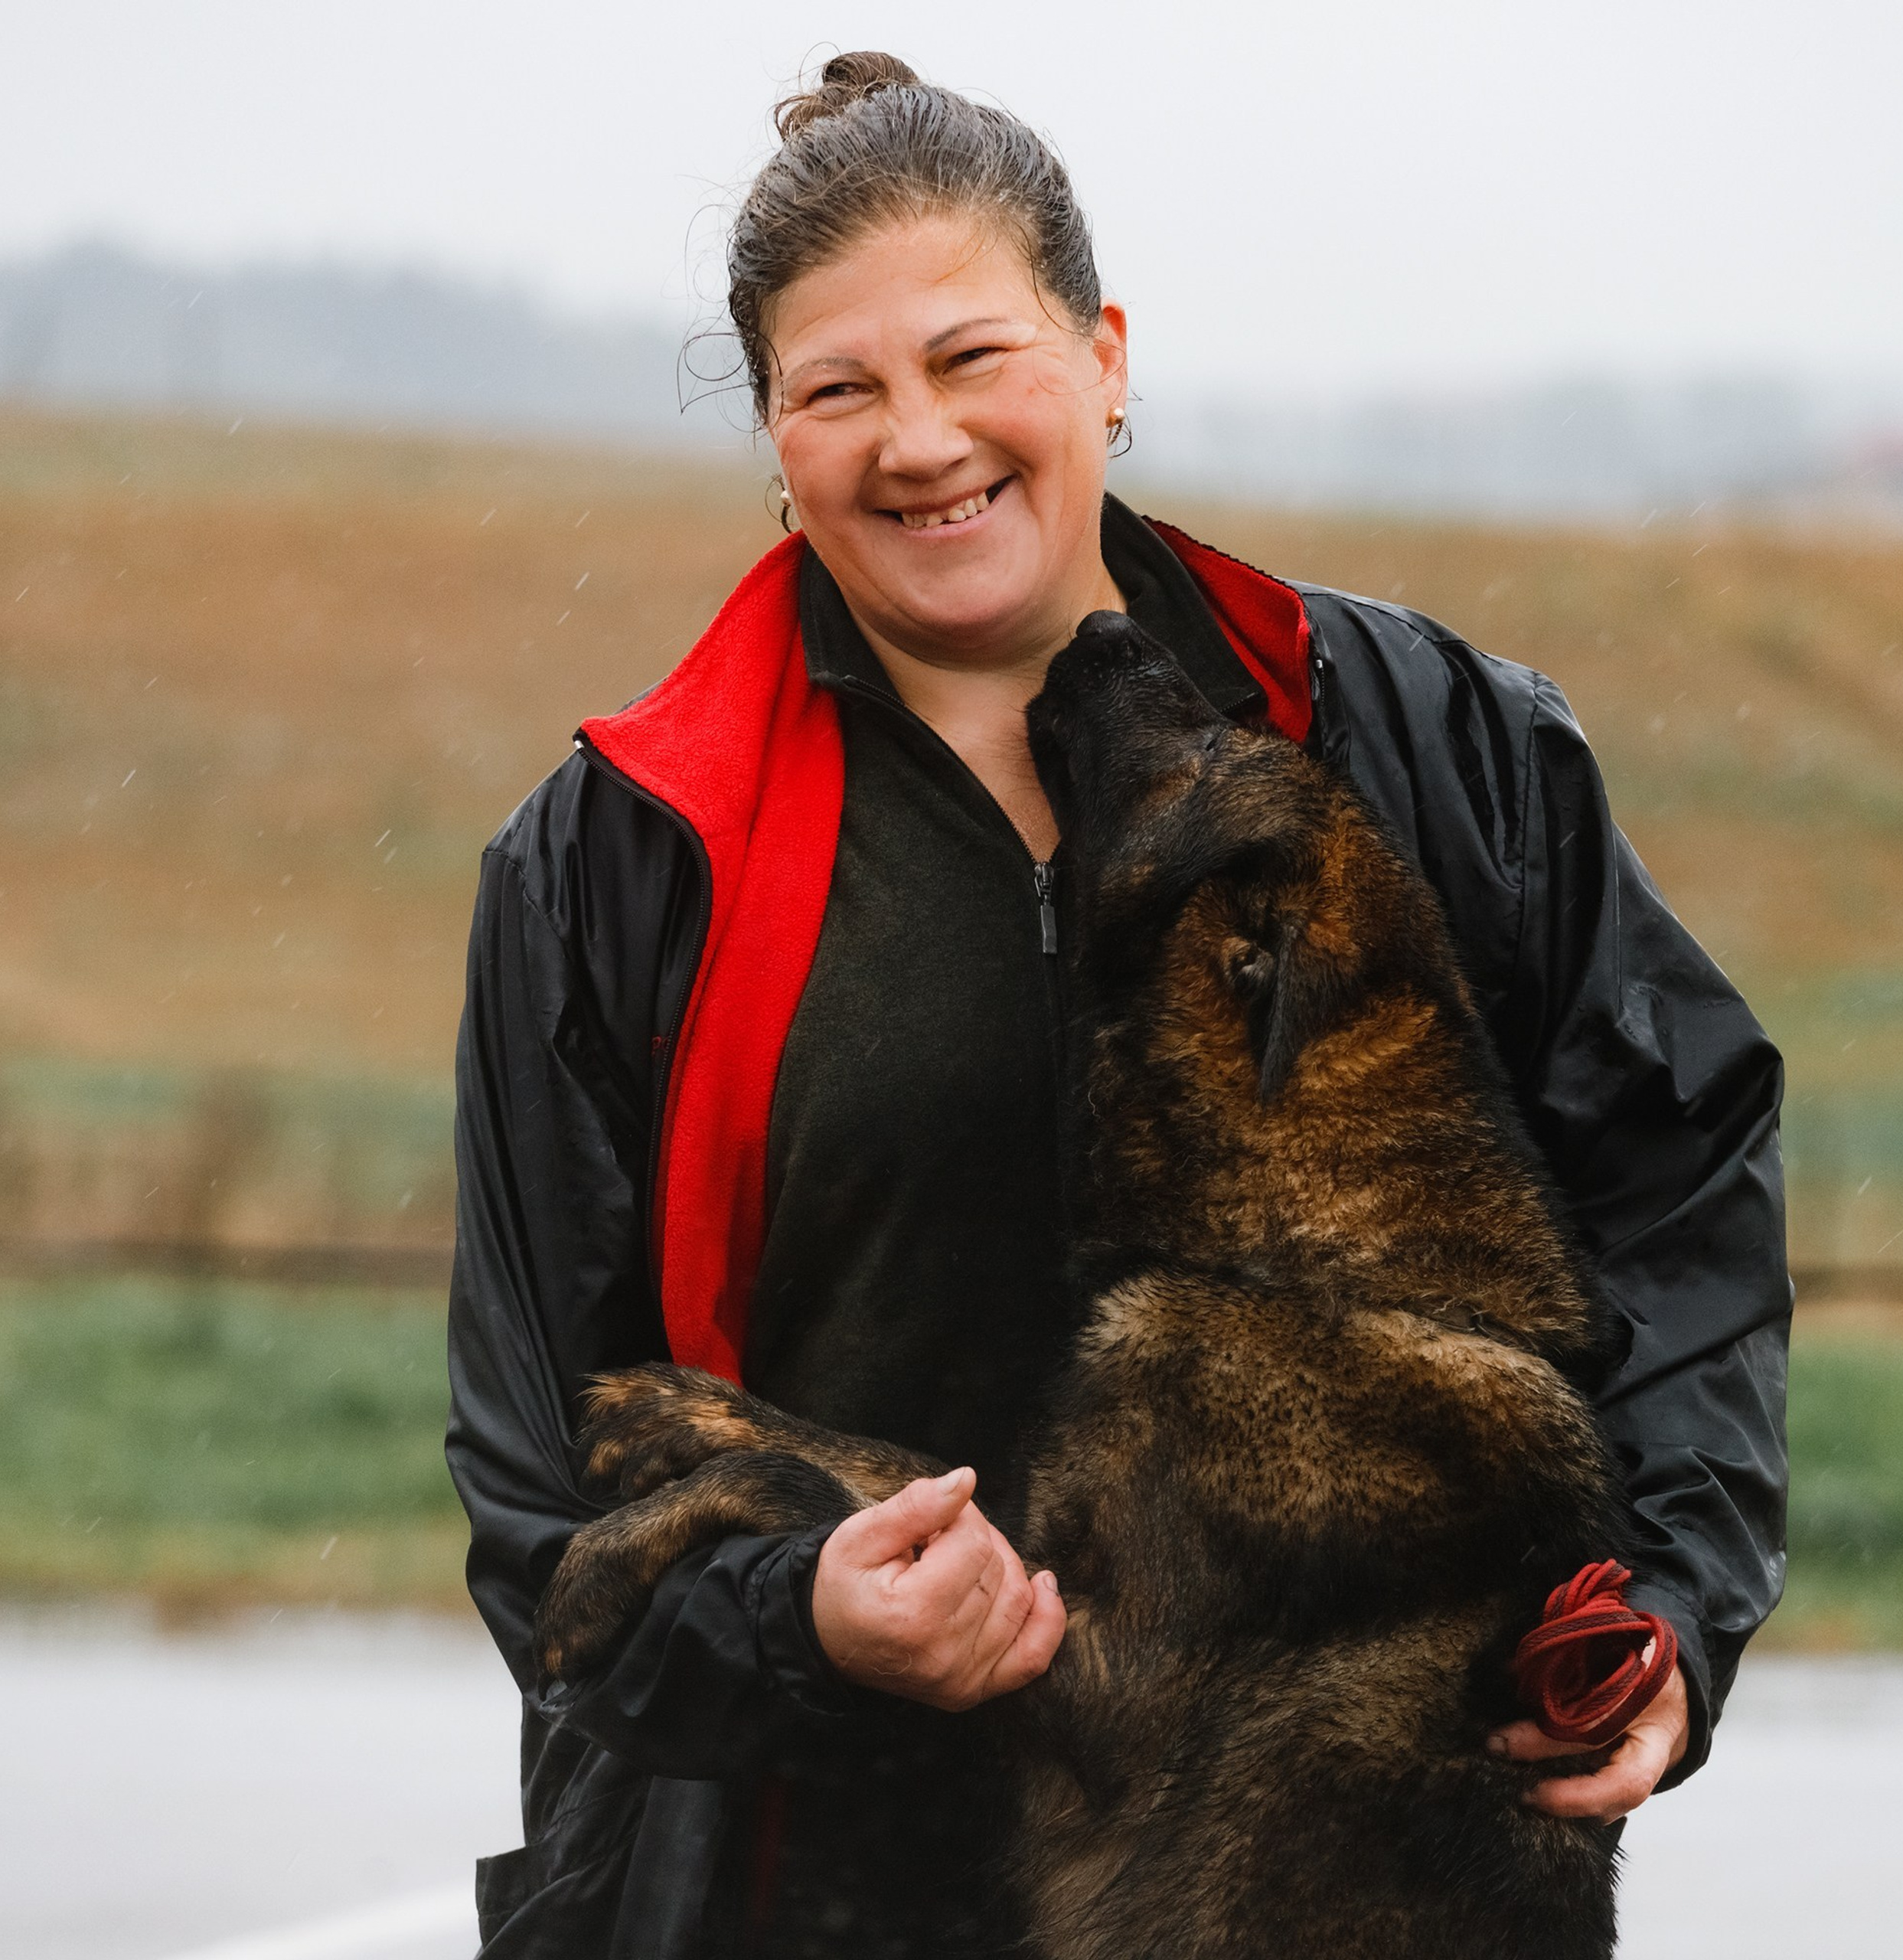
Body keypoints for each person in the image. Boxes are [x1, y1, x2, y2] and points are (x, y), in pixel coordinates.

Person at [446, 52, 1790, 1960]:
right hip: (801, 1896)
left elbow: (1679, 1180)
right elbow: (543, 1497)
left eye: (972, 356)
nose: (919, 441)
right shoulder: (610, 865)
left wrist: (1667, 1601)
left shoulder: (1432, 748)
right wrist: (800, 1618)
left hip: (1363, 1892)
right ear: (772, 434)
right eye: (839, 389)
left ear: (1104, 356)